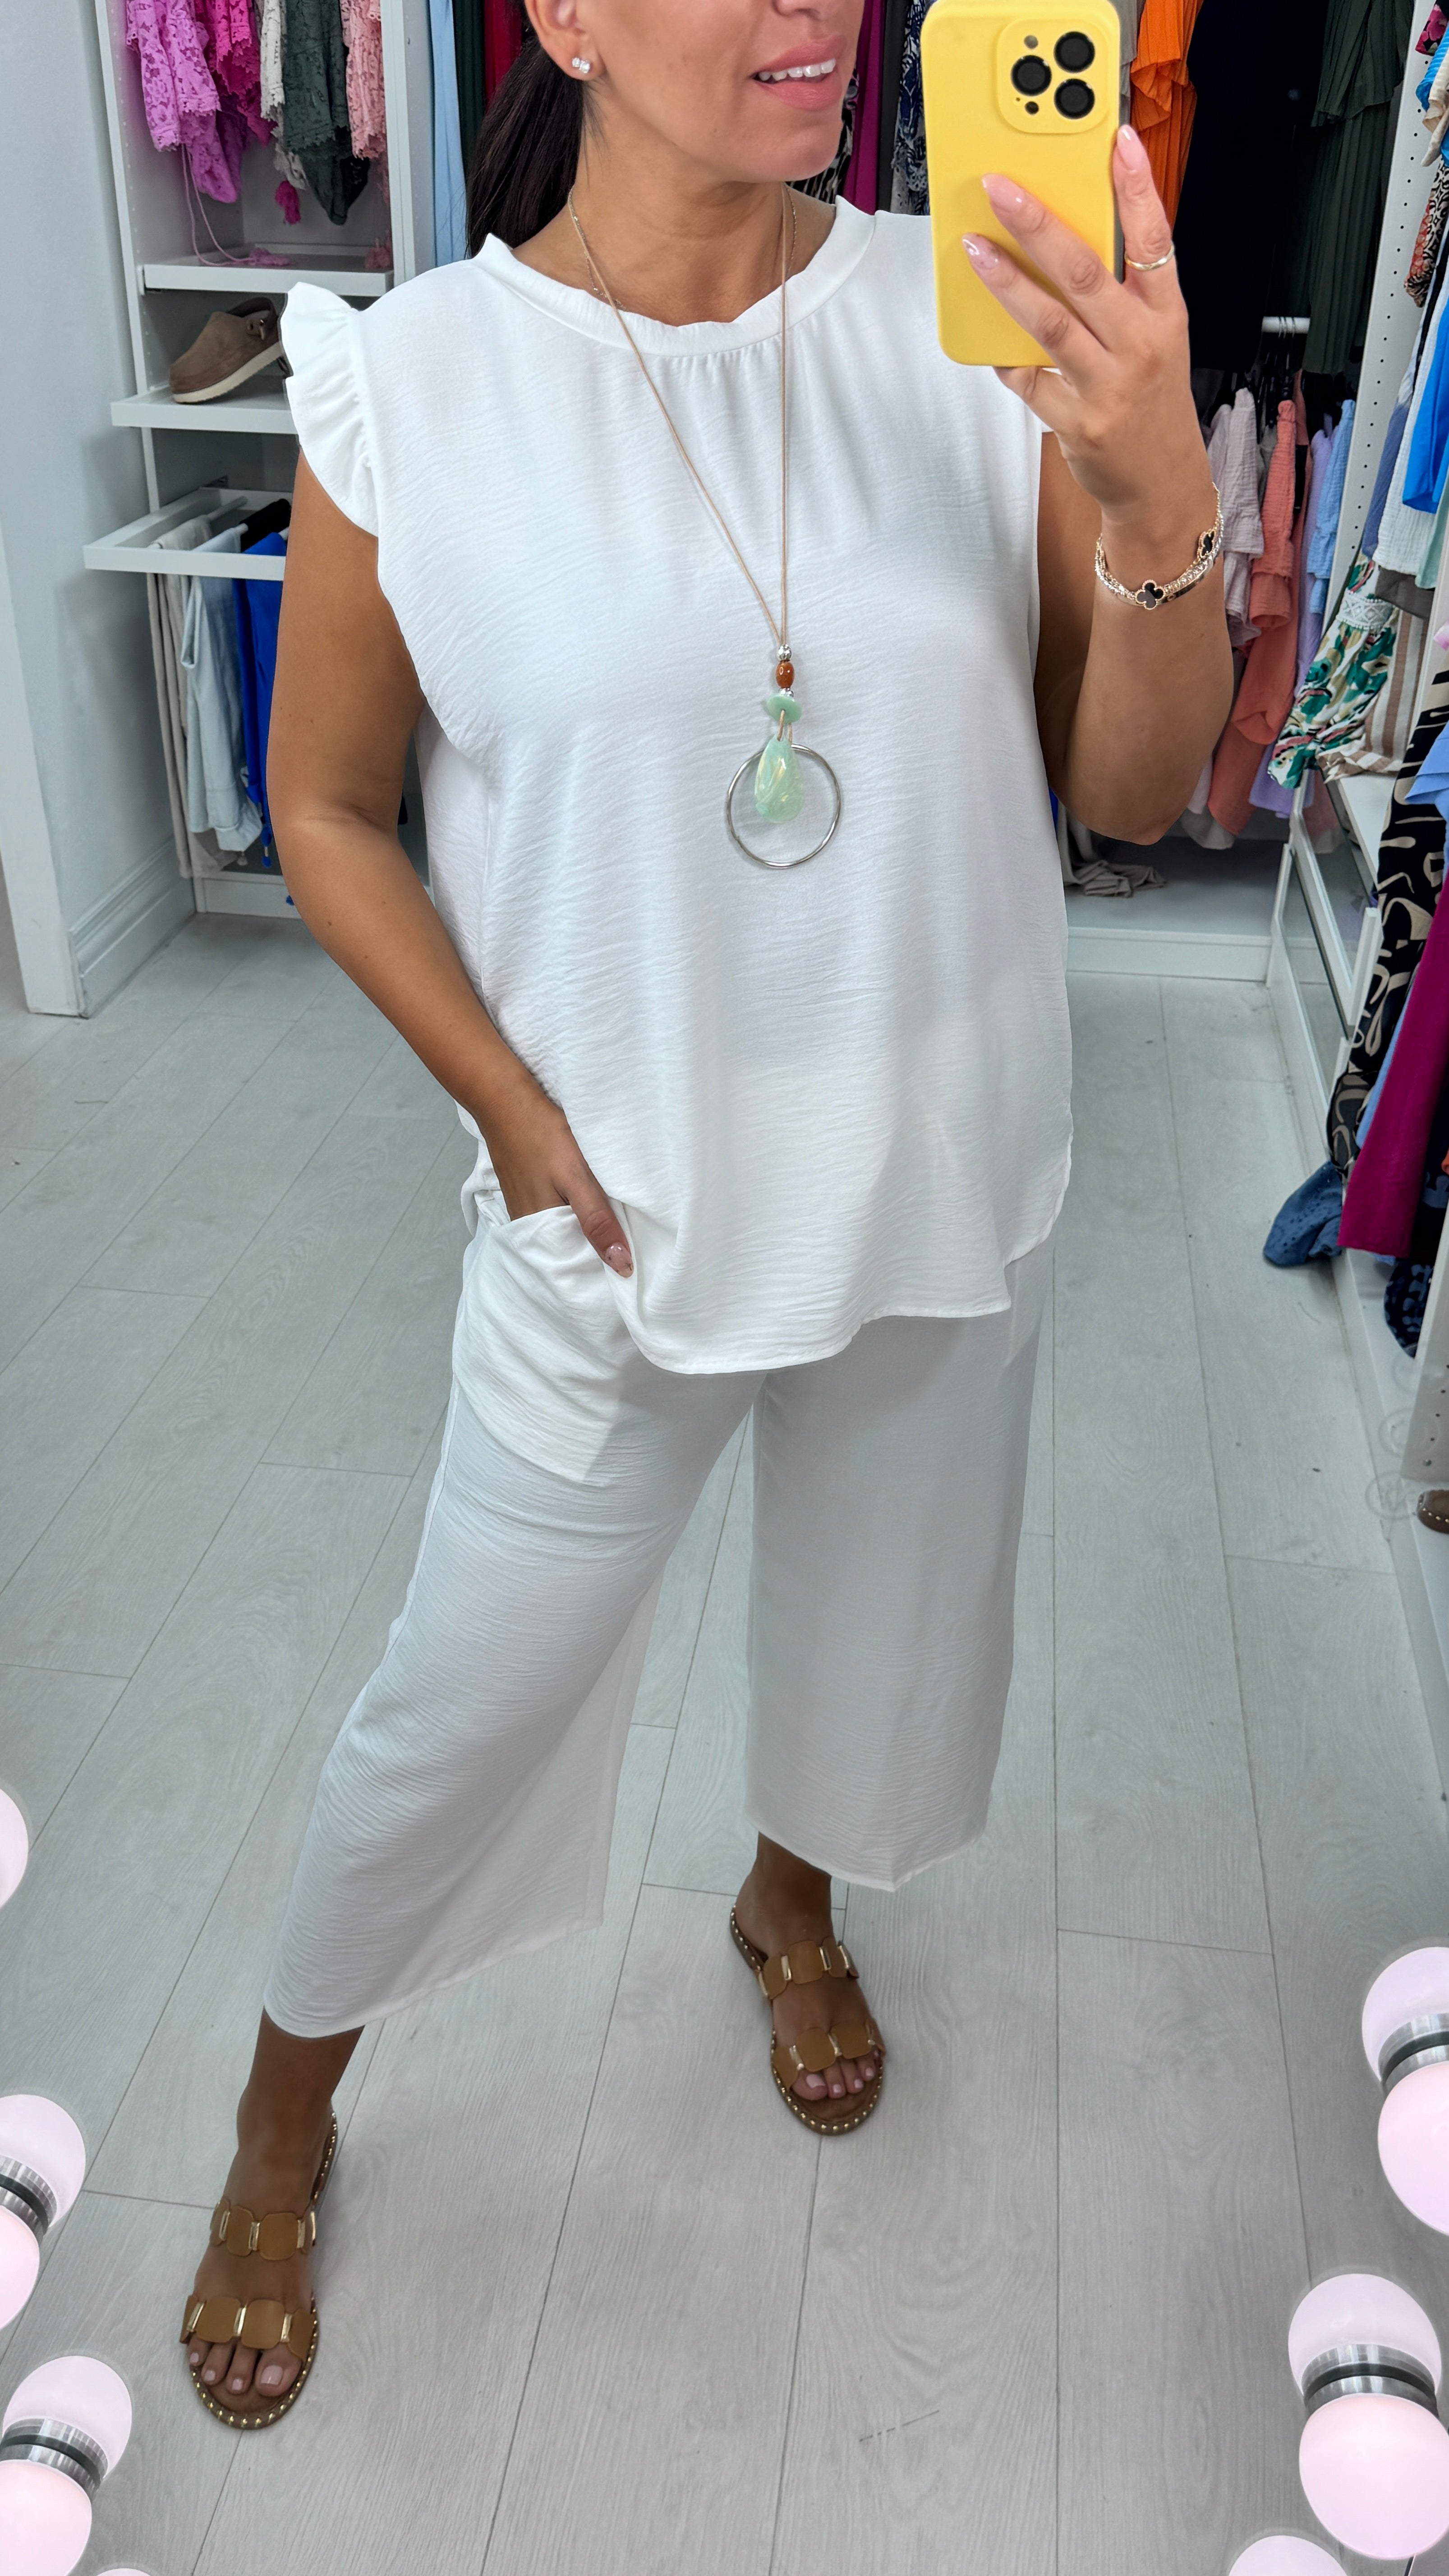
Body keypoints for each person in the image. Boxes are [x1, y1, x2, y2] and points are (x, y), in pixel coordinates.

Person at [179, 0, 1230, 2429]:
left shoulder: (971, 324)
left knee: (883, 1618)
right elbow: (323, 801)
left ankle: (793, 1893)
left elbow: (1130, 791)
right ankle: (283, 2102)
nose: (813, 8)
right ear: (556, 15)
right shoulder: (415, 388)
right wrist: (507, 1111)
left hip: (942, 1173)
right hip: (618, 1219)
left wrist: (1157, 485)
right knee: (461, 1698)